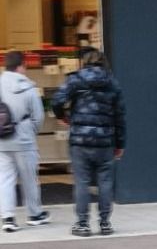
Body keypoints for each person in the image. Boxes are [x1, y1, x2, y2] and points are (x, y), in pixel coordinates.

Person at [52, 47, 126, 237]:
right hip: (105, 141)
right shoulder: (112, 83)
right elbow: (120, 117)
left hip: (80, 141)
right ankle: (105, 223)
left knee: (82, 182)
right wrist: (120, 144)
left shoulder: (75, 79)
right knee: (105, 182)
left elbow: (57, 101)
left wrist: (64, 116)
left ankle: (83, 224)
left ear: (83, 61)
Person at [0, 50, 50, 233]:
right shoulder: (28, 87)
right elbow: (38, 116)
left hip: (2, 140)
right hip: (24, 140)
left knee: (4, 179)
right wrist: (30, 131)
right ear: (21, 66)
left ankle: (8, 218)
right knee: (30, 178)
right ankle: (34, 215)